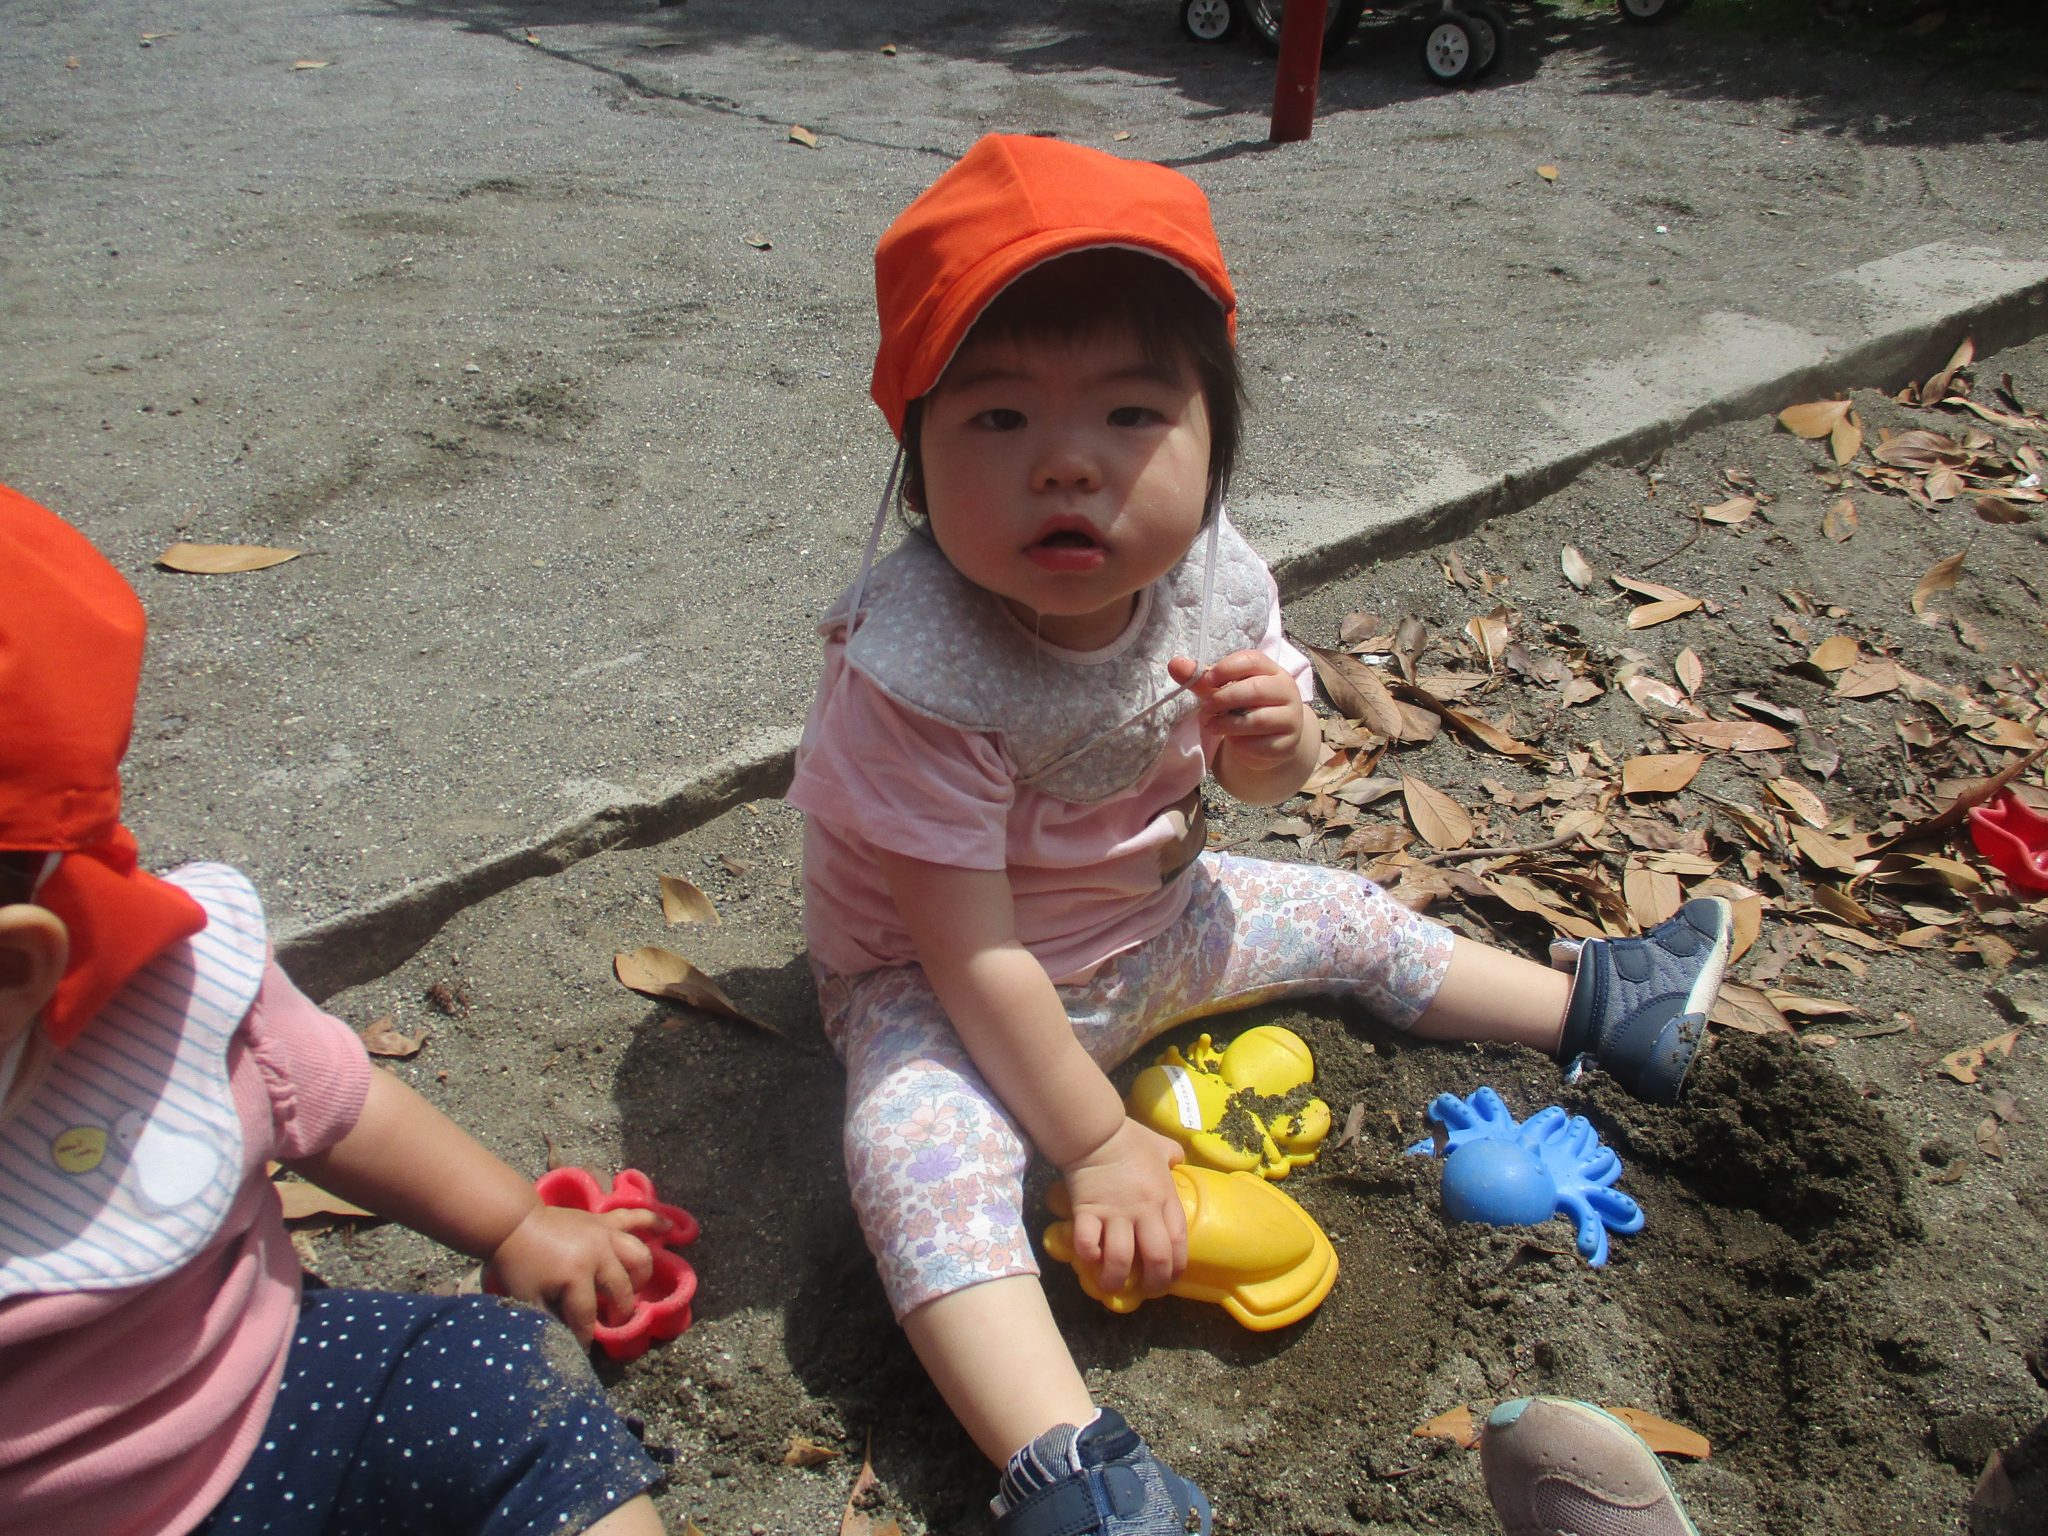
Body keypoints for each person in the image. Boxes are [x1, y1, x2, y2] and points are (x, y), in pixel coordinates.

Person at [786, 133, 1733, 1535]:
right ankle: (1066, 1467)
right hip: (950, 998)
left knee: (1345, 911)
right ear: (915, 462)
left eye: (1128, 415)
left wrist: (1275, 746)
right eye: (996, 420)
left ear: (1215, 441)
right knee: (915, 1158)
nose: (1066, 464)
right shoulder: (915, 671)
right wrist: (1099, 1144)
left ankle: (1599, 1007)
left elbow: (1267, 774)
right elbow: (967, 949)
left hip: (1155, 931)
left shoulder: (1212, 581)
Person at [0, 484, 673, 1536]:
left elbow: (335, 1101)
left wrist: (514, 1220)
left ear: (15, 970)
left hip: (269, 1399)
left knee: (503, 1380)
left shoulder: (175, 994)